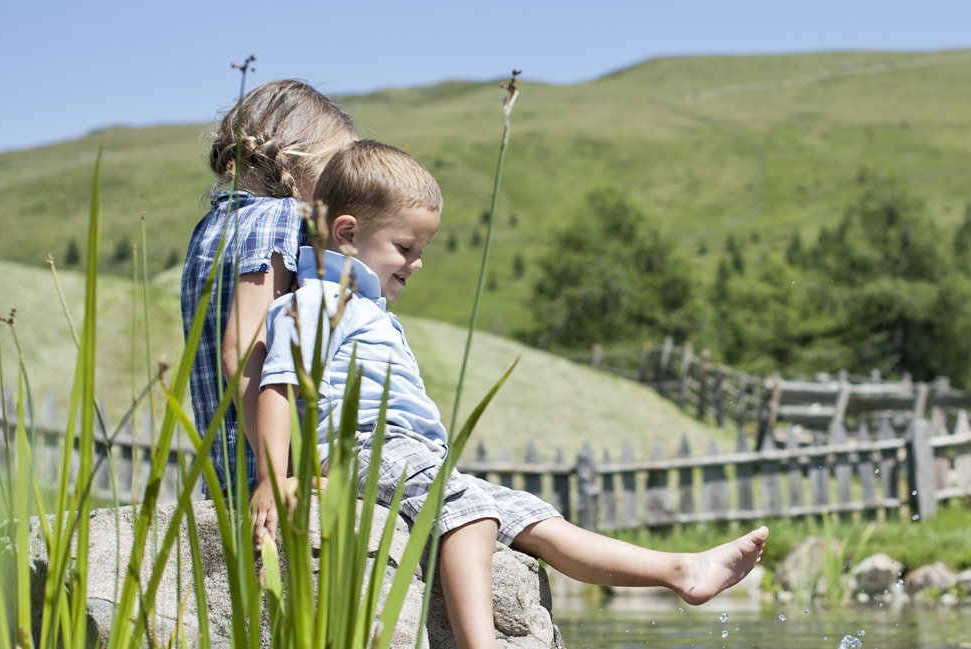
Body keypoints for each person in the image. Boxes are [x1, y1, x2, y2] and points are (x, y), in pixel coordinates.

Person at [258, 141, 768, 648]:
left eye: (421, 251)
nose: (417, 264)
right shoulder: (320, 300)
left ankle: (680, 570)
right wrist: (273, 477)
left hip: (414, 455)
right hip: (366, 448)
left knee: (531, 514)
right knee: (471, 513)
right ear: (347, 233)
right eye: (406, 248)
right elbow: (277, 384)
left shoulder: (364, 307)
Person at [178, 79, 357, 512]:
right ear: (301, 162)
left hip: (225, 470)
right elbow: (242, 347)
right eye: (333, 172)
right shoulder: (283, 217)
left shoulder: (211, 227)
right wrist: (281, 472)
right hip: (268, 470)